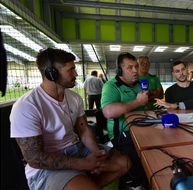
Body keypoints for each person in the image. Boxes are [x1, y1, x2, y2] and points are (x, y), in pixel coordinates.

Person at [10, 48, 130, 190]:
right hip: (47, 168)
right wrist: (84, 164)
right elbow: (34, 158)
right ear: (51, 73)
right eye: (71, 70)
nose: (76, 74)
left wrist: (96, 154)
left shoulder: (74, 98)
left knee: (125, 163)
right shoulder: (27, 106)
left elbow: (84, 129)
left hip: (76, 149)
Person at [101, 52, 149, 189]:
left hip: (143, 128)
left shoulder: (139, 84)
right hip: (123, 134)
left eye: (136, 66)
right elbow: (108, 112)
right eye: (130, 67)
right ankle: (135, 185)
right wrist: (137, 102)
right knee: (139, 158)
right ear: (119, 70)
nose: (135, 70)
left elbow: (145, 107)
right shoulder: (111, 86)